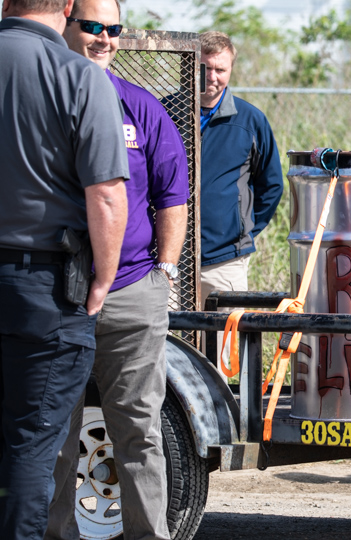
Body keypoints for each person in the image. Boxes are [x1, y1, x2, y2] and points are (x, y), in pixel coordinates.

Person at [44, 1, 191, 538]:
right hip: (55, 293)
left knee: (140, 433)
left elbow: (174, 194)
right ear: (64, 23)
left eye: (115, 29)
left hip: (132, 293)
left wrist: (166, 271)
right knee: (51, 433)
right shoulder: (43, 101)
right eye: (93, 27)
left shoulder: (141, 107)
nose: (106, 38)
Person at [0, 0, 129, 537]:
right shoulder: (78, 76)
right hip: (45, 288)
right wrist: (103, 278)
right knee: (31, 445)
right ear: (69, 7)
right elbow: (105, 195)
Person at [198, 31, 284, 303]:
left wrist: (241, 231)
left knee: (224, 344)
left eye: (220, 69)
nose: (212, 77)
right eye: (205, 68)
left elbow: (271, 186)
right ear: (191, 64)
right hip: (170, 260)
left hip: (224, 260)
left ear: (231, 69)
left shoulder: (251, 120)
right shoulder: (165, 113)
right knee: (173, 342)